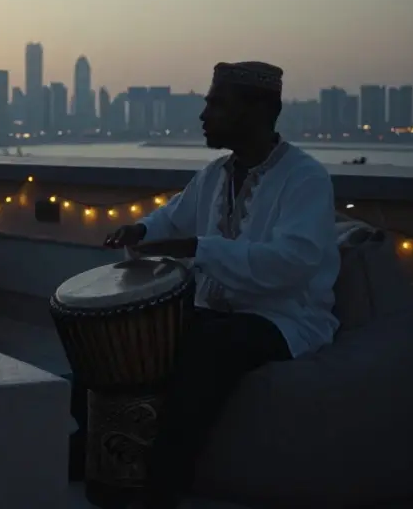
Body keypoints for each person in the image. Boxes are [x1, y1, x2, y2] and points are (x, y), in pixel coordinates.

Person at [103, 61, 339, 509]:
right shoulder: (214, 175)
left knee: (205, 345)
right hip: (220, 311)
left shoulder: (305, 177)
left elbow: (292, 263)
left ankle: (160, 486)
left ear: (256, 110)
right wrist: (139, 230)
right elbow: (170, 218)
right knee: (134, 334)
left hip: (286, 320)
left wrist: (199, 247)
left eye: (216, 103)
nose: (204, 114)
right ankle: (97, 449)